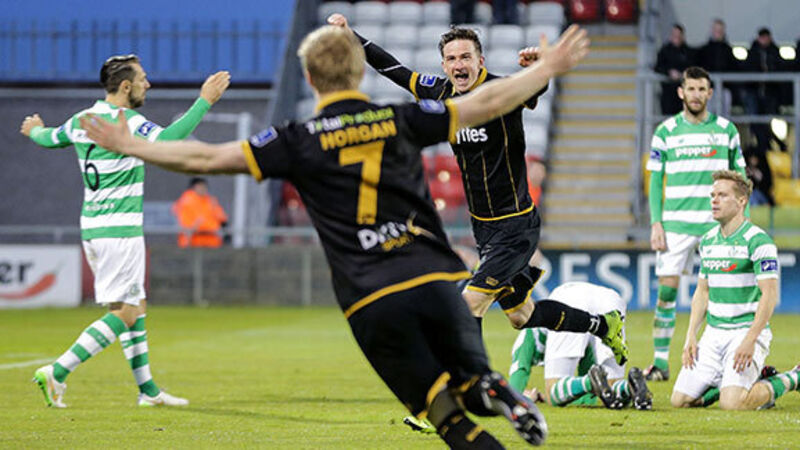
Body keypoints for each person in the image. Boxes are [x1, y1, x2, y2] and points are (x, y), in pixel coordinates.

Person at [79, 24, 599, 448]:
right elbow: (486, 103)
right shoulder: (400, 117)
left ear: (309, 79)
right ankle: (492, 387)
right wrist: (547, 70)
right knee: (477, 366)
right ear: (357, 72)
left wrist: (134, 146)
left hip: (372, 295)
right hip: (433, 274)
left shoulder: (297, 140)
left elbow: (205, 158)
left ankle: (480, 395)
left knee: (441, 410)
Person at [325, 16, 629, 365]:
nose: (459, 65)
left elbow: (535, 90)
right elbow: (390, 67)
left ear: (480, 61)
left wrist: (540, 70)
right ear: (444, 66)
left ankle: (468, 386)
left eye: (466, 57)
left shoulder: (502, 91)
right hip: (483, 227)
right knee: (522, 315)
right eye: (452, 59)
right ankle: (603, 325)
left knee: (469, 303)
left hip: (516, 225)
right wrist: (349, 35)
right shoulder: (439, 92)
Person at [20, 54, 230, 407]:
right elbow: (167, 140)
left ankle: (148, 391)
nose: (149, 84)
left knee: (135, 305)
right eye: (143, 79)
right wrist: (204, 101)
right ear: (126, 86)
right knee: (126, 312)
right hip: (120, 231)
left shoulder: (83, 119)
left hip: (94, 227)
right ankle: (58, 371)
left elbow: (49, 138)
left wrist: (33, 130)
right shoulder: (126, 121)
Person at [645, 66, 748, 382]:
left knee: (722, 294)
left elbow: (741, 178)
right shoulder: (665, 132)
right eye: (690, 88)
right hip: (675, 224)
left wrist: (741, 219)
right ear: (681, 92)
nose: (696, 94)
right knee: (666, 292)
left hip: (715, 226)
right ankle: (660, 363)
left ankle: (720, 362)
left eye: (701, 89)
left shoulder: (726, 130)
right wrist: (656, 223)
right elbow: (656, 180)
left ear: (710, 93)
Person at [671, 170, 800, 410]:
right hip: (713, 334)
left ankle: (793, 377)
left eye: (722, 195)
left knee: (733, 404)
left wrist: (750, 340)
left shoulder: (758, 241)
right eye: (713, 195)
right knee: (679, 401)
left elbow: (769, 295)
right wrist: (691, 335)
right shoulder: (708, 241)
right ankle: (734, 382)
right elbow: (702, 292)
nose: (714, 200)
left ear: (741, 201)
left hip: (745, 331)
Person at [509, 282, 652, 411]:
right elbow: (590, 396)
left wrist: (525, 399)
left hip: (568, 302)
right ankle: (630, 386)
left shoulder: (527, 337)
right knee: (609, 385)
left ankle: (596, 383)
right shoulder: (581, 349)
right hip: (611, 301)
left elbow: (514, 386)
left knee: (553, 391)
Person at [172, 177, 229, 247]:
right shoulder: (186, 201)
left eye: (204, 186)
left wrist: (225, 232)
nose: (202, 188)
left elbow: (222, 218)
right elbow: (186, 225)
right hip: (194, 241)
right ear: (193, 187)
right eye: (199, 186)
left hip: (212, 241)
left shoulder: (211, 201)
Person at [654, 24, 694, 115]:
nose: (677, 38)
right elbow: (658, 67)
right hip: (668, 93)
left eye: (679, 35)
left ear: (683, 36)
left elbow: (692, 68)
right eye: (675, 35)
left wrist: (682, 74)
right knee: (668, 119)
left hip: (684, 94)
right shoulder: (664, 51)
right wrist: (669, 72)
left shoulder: (688, 52)